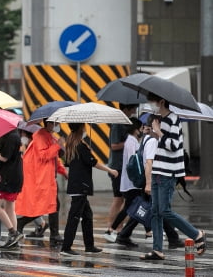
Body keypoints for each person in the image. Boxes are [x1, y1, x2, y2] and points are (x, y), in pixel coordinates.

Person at [141, 93, 206, 261]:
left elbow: (174, 145)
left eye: (152, 101)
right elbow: (162, 144)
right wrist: (153, 133)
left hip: (168, 172)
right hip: (158, 169)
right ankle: (157, 250)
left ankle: (196, 233)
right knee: (155, 212)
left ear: (161, 101)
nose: (151, 104)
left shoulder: (173, 119)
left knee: (164, 210)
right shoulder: (159, 120)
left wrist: (159, 132)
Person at [116, 115, 183, 248]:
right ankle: (173, 238)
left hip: (149, 181)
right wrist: (148, 184)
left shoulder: (146, 139)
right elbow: (149, 163)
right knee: (157, 209)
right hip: (150, 181)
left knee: (148, 209)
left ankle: (124, 235)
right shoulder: (152, 141)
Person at [60, 123, 118, 256]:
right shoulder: (80, 146)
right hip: (80, 185)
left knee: (87, 216)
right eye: (84, 127)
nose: (86, 129)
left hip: (77, 185)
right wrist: (110, 170)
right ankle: (66, 247)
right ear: (81, 129)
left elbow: (67, 162)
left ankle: (89, 245)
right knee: (74, 217)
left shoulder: (72, 144)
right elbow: (94, 162)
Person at [17, 119, 67, 245]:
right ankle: (21, 223)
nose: (57, 126)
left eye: (57, 123)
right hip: (41, 178)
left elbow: (55, 157)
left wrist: (63, 171)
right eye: (55, 123)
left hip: (48, 178)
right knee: (44, 206)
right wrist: (57, 145)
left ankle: (54, 235)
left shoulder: (49, 136)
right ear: (48, 123)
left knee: (52, 205)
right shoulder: (40, 135)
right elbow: (44, 156)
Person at [104, 103, 138, 242]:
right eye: (133, 108)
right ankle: (110, 228)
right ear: (126, 109)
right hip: (116, 167)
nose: (134, 111)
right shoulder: (118, 123)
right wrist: (131, 140)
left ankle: (117, 228)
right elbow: (114, 145)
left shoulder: (124, 123)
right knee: (119, 198)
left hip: (122, 167)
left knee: (123, 199)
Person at [0, 129, 24, 249]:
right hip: (14, 175)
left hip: (8, 177)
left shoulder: (11, 138)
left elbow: (5, 157)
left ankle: (13, 233)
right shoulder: (16, 136)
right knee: (10, 207)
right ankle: (14, 240)